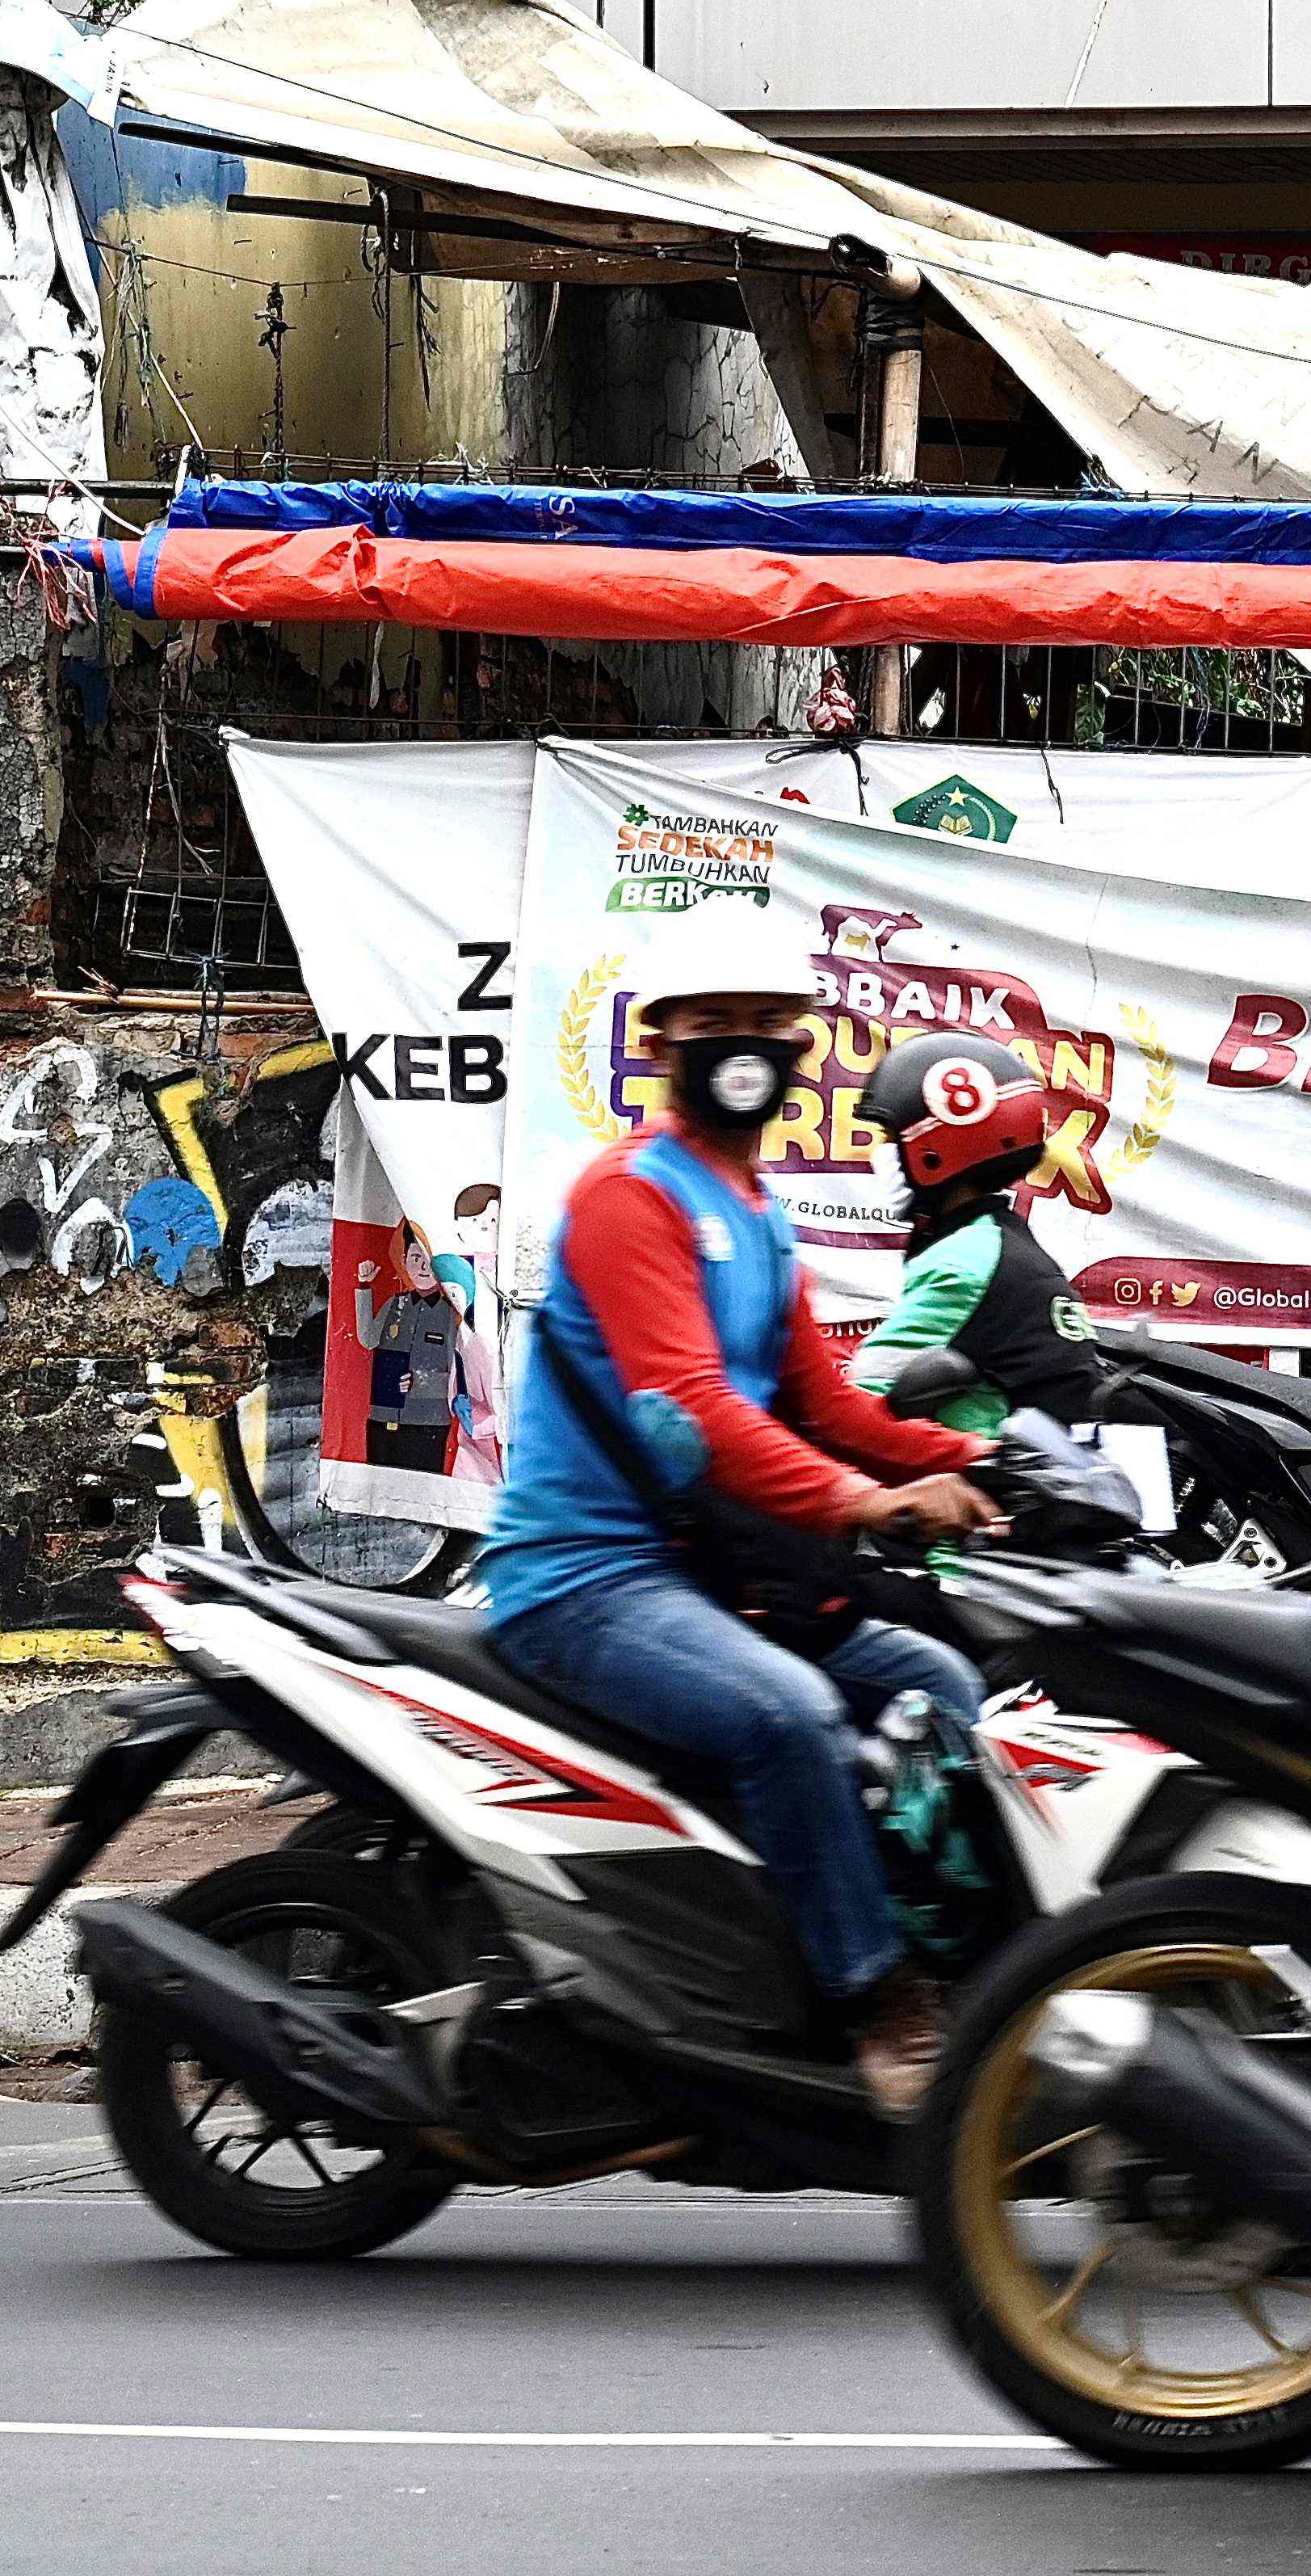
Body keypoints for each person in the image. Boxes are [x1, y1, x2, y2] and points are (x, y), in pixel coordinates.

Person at [478, 905, 998, 2112]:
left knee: (949, 1689)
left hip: (712, 1573)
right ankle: (876, 1997)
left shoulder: (759, 1208)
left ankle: (954, 1958)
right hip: (586, 1577)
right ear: (660, 1044)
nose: (747, 1044)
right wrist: (865, 1505)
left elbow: (822, 1397)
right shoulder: (630, 1196)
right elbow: (694, 1407)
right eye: (716, 1024)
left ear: (806, 1044)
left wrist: (975, 1459)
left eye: (770, 1023)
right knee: (791, 1714)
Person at [850, 1032, 1118, 1501]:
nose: (880, 1156)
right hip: (1046, 1501)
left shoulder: (964, 1262)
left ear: (936, 1148)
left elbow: (865, 1404)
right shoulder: (997, 1239)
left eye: (891, 1140)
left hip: (971, 1542)